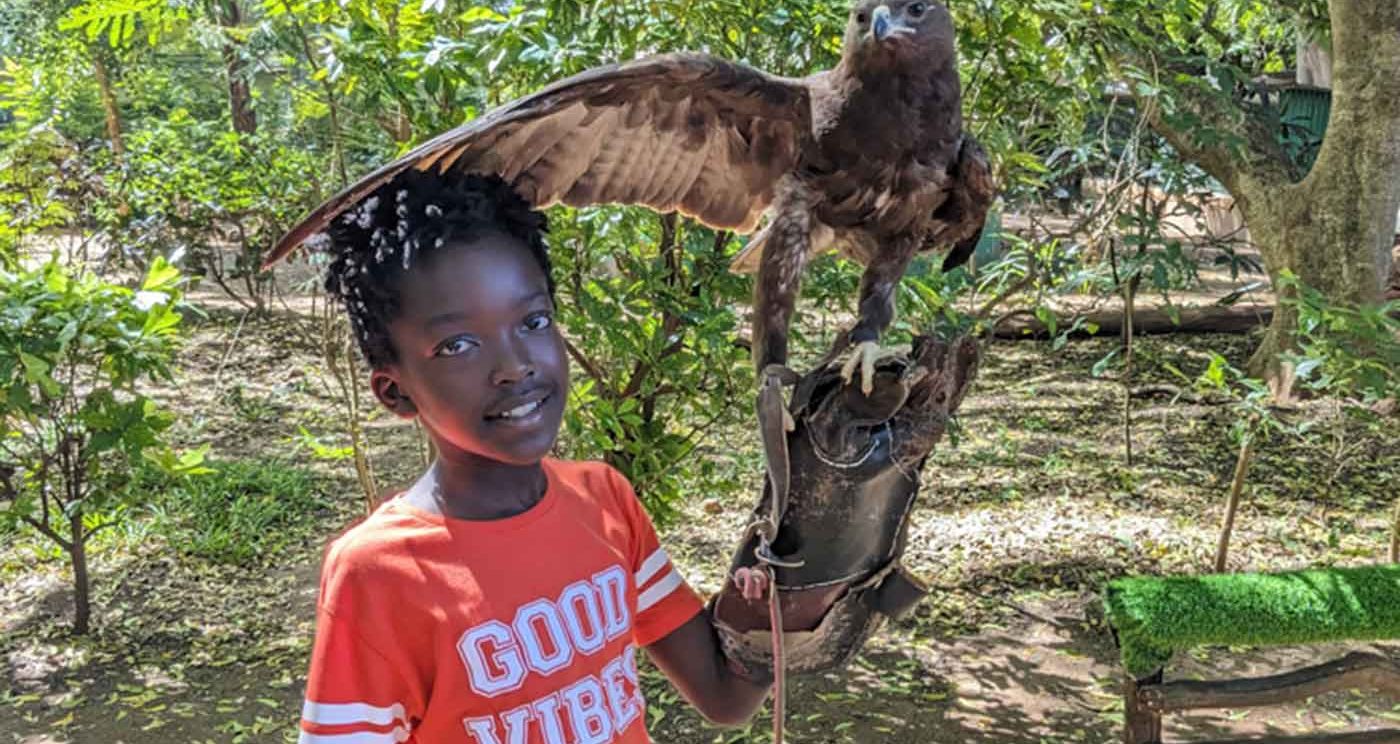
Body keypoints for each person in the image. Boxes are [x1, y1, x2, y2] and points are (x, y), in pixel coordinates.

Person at [297, 170, 771, 744]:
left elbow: (724, 698)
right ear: (395, 391)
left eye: (534, 321)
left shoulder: (605, 500)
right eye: (458, 345)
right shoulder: (377, 573)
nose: (515, 365)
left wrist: (758, 626)